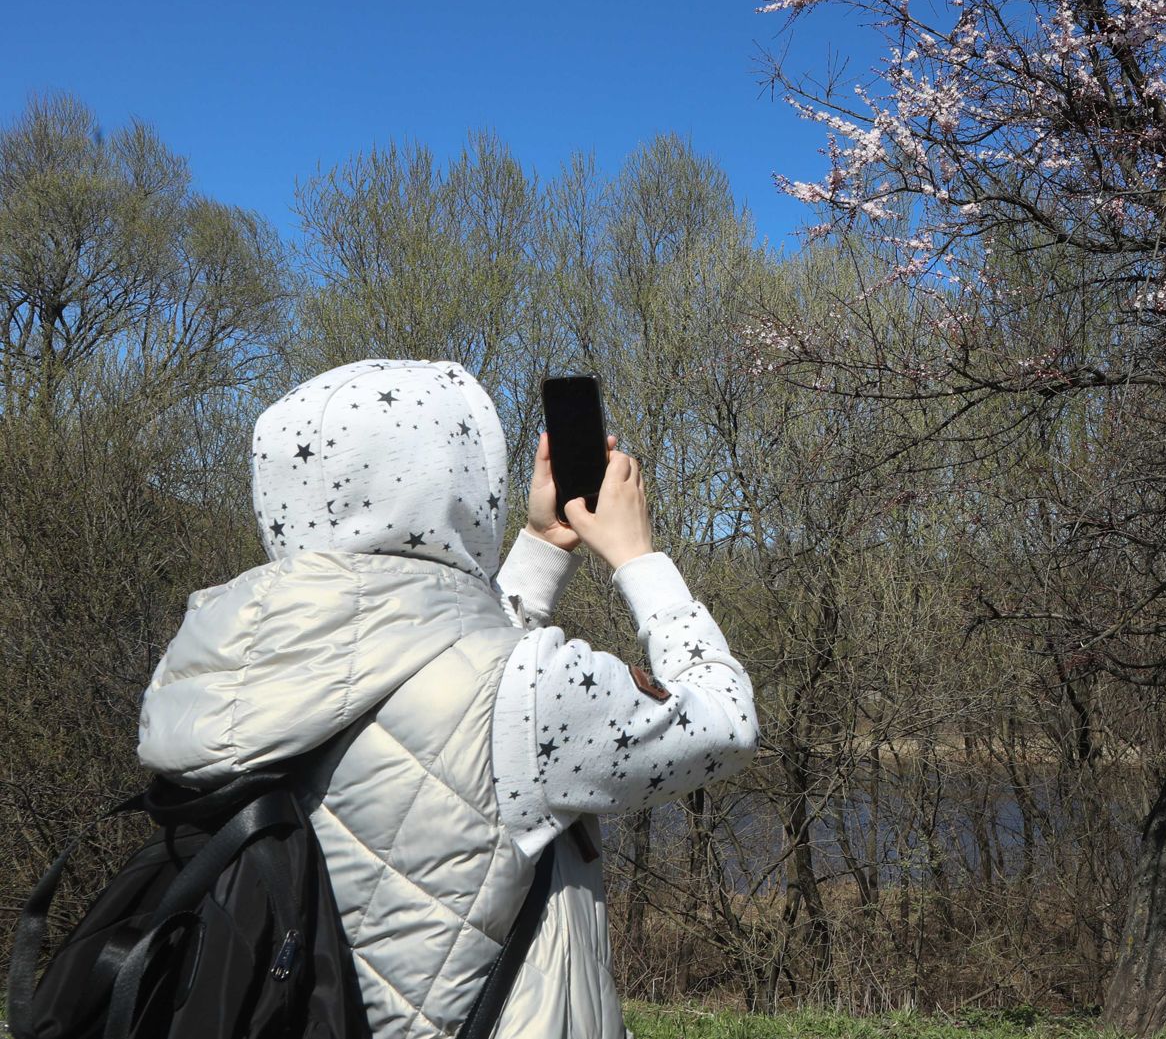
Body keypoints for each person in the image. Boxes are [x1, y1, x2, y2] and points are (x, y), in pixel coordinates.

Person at [136, 357, 759, 1037]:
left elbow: (433, 666)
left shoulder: (209, 664)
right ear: (463, 487)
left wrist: (543, 546)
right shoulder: (524, 690)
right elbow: (726, 720)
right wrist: (640, 559)